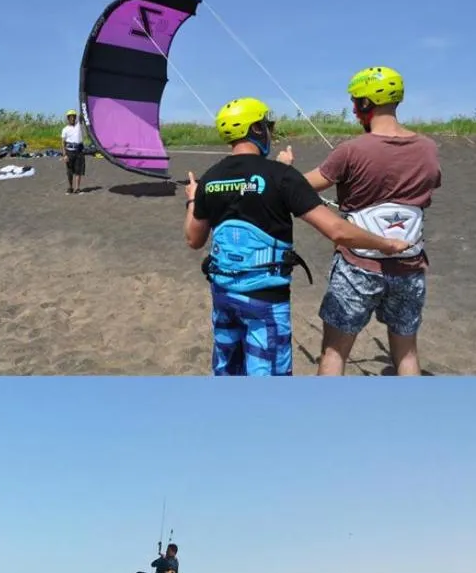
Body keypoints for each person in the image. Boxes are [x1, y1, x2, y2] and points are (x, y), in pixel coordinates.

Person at [184, 97, 412, 376]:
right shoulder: (281, 176)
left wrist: (193, 199)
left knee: (228, 369)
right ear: (256, 130)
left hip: (224, 295)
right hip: (264, 299)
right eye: (266, 126)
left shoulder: (210, 179)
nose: (269, 131)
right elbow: (337, 231)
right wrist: (387, 243)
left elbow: (193, 240)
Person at [287, 67, 442, 376]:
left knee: (333, 352)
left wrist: (283, 170)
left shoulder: (351, 150)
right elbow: (429, 188)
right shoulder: (429, 149)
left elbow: (301, 187)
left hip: (358, 265)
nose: (355, 109)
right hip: (410, 267)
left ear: (367, 104)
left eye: (357, 102)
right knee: (407, 353)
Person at [61, 109, 86, 194]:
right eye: (70, 117)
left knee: (78, 171)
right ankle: (70, 187)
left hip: (79, 151)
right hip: (69, 152)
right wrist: (64, 155)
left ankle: (77, 188)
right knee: (70, 171)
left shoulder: (79, 125)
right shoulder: (65, 129)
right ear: (68, 118)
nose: (72, 118)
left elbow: (83, 115)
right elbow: (63, 143)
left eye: (74, 117)